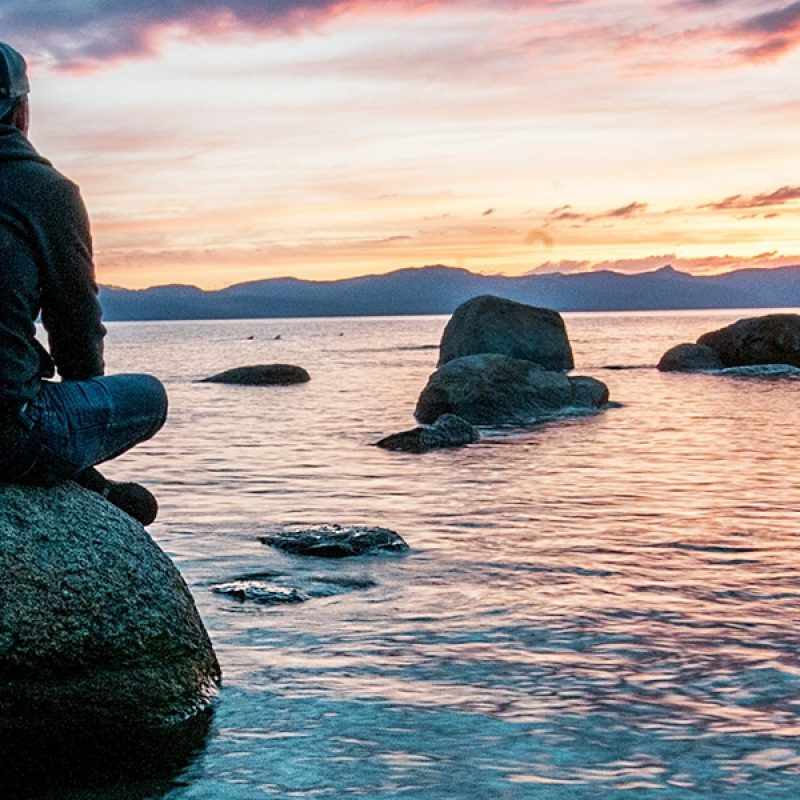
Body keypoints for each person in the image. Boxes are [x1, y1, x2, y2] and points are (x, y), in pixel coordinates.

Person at [0, 42, 167, 525]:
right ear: (20, 109)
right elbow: (74, 326)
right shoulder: (42, 190)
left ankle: (90, 482)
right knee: (149, 396)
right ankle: (87, 480)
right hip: (10, 433)